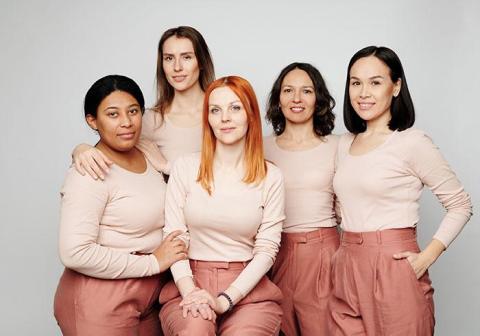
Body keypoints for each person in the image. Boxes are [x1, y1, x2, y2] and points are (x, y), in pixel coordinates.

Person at [329, 46, 473, 335]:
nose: (363, 92)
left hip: (393, 265)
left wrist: (426, 257)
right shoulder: (343, 144)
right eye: (355, 83)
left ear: (396, 87)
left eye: (375, 82)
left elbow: (461, 205)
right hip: (347, 265)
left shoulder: (412, 143)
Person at [53, 75, 187, 335]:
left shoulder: (146, 150)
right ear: (93, 120)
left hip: (150, 294)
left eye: (133, 111)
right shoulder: (88, 171)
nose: (126, 122)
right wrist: (152, 263)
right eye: (112, 114)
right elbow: (74, 252)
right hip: (98, 297)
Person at [158, 76, 285, 335]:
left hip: (248, 290)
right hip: (188, 281)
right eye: (215, 110)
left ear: (250, 115)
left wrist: (223, 300)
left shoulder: (271, 176)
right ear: (208, 119)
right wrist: (191, 292)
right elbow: (174, 238)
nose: (224, 117)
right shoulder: (184, 167)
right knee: (194, 330)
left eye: (235, 108)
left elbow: (267, 250)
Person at [71, 26, 215, 179]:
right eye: (169, 58)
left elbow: (233, 177)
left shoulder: (223, 115)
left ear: (201, 62)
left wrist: (166, 166)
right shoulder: (148, 121)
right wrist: (80, 150)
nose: (177, 67)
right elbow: (110, 152)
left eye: (187, 57)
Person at [264, 62, 339, 336]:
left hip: (322, 252)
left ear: (318, 98)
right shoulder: (259, 147)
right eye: (288, 90)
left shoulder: (337, 146)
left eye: (306, 91)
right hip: (272, 251)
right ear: (278, 98)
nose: (296, 99)